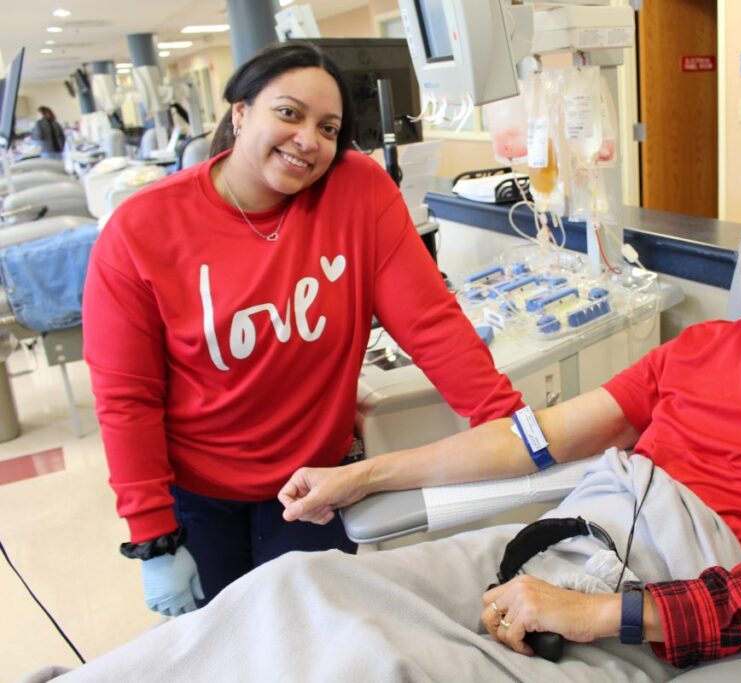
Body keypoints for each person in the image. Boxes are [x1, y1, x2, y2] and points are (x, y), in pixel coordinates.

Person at [58, 145, 741, 681]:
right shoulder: (699, 349)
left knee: (371, 664)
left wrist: (602, 613)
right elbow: (537, 439)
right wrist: (362, 473)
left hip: (669, 579)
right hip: (574, 524)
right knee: (297, 588)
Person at [81, 43, 522, 616]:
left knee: (312, 641)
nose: (309, 139)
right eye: (288, 113)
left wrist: (516, 429)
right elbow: (126, 398)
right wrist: (151, 535)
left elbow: (431, 324)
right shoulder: (142, 230)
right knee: (227, 650)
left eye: (329, 127)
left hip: (315, 488)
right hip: (198, 498)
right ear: (240, 113)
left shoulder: (356, 191)